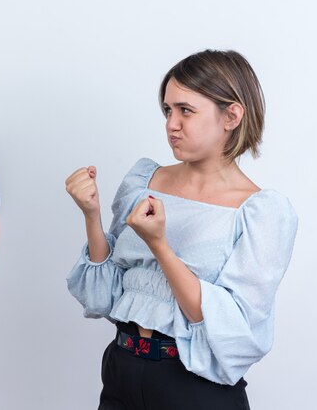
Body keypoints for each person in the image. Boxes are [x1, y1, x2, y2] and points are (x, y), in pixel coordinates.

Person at [65, 50, 297, 409]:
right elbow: (103, 298)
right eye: (168, 110)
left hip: (194, 386)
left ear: (231, 115)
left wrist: (159, 244)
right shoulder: (145, 180)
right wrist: (91, 215)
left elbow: (232, 332)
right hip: (121, 368)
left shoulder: (260, 213)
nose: (172, 124)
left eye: (186, 110)